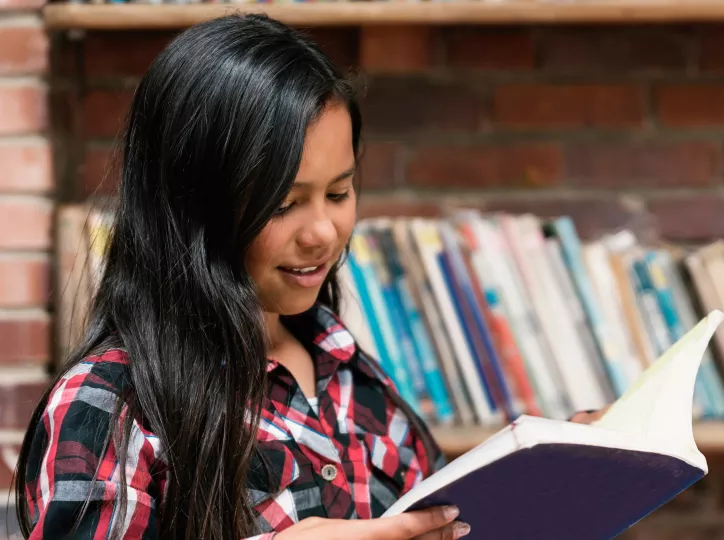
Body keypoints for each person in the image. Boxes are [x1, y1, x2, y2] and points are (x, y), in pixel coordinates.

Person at [14, 13, 604, 540]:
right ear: (190, 207)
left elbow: (428, 517)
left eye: (340, 192)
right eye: (283, 203)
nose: (323, 231)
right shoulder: (110, 405)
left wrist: (539, 473)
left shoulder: (346, 371)